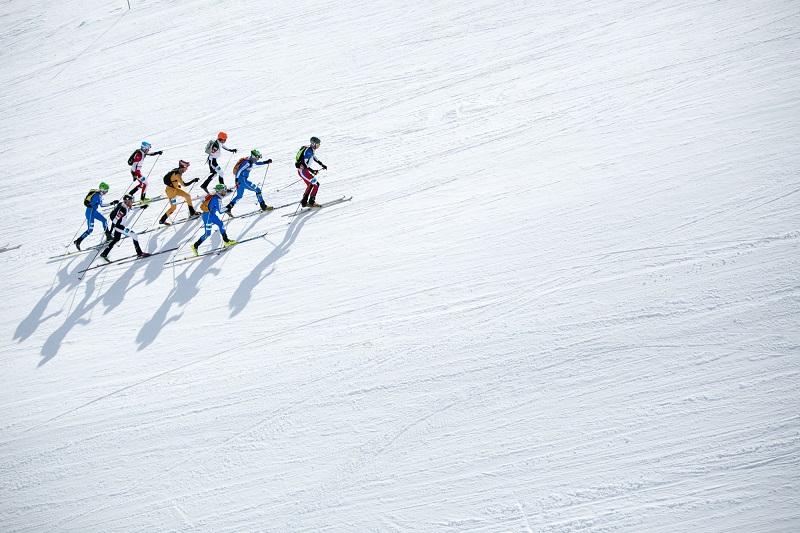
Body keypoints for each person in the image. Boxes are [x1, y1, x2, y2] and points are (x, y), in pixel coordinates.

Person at [191, 184, 237, 256]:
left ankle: (226, 240)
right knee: (207, 233)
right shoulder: (217, 199)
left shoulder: (213, 195)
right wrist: (229, 207)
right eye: (224, 191)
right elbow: (221, 211)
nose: (225, 192)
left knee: (220, 224)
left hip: (212, 215)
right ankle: (195, 246)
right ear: (219, 191)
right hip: (208, 217)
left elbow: (203, 202)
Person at [100, 195, 150, 260]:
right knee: (134, 235)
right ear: (127, 202)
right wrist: (110, 231)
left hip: (119, 226)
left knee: (116, 239)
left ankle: (104, 253)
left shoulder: (126, 205)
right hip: (119, 227)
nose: (132, 202)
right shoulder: (122, 210)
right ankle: (139, 253)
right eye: (131, 201)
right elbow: (115, 221)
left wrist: (141, 207)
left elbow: (133, 208)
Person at [225, 149, 272, 215]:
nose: (258, 159)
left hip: (240, 181)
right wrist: (236, 180)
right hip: (243, 181)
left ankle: (228, 208)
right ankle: (263, 206)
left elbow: (257, 163)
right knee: (258, 190)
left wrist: (265, 162)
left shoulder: (251, 159)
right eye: (257, 157)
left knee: (239, 196)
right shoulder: (247, 163)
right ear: (253, 156)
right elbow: (238, 171)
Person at [74, 182, 117, 251]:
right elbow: (102, 205)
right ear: (102, 189)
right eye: (106, 190)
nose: (106, 192)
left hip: (93, 212)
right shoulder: (98, 195)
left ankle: (108, 236)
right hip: (90, 213)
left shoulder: (98, 193)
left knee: (104, 220)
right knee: (90, 230)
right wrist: (112, 203)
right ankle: (78, 241)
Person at [159, 160, 200, 225]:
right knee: (173, 207)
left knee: (187, 196)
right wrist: (193, 180)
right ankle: (162, 220)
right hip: (171, 192)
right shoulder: (177, 175)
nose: (186, 169)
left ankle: (192, 212)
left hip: (175, 189)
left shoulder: (177, 170)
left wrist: (176, 185)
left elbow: (172, 179)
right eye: (186, 168)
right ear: (182, 167)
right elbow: (184, 185)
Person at [295, 136, 327, 207]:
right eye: (318, 144)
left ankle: (304, 202)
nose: (319, 146)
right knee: (316, 184)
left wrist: (322, 164)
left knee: (310, 185)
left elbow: (314, 158)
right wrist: (312, 171)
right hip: (303, 172)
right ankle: (311, 202)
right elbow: (304, 164)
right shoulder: (308, 151)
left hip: (304, 171)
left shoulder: (311, 150)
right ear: (313, 144)